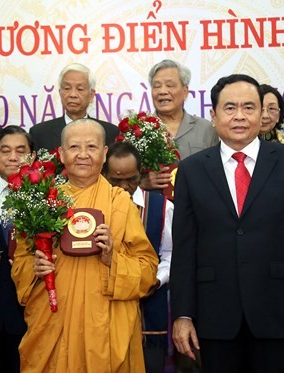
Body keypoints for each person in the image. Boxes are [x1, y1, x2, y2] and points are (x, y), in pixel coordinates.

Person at [170, 74, 284, 373]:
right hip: (215, 316)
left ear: (262, 113)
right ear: (213, 116)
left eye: (249, 107)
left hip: (279, 313)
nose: (239, 116)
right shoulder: (191, 170)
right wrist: (183, 315)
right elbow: (185, 249)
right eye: (229, 108)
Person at [11, 119, 158, 372]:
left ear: (104, 154)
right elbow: (20, 263)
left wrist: (114, 258)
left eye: (91, 147)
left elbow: (147, 270)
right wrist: (35, 267)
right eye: (74, 147)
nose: (82, 155)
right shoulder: (41, 201)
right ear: (61, 153)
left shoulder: (119, 202)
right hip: (53, 321)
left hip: (105, 328)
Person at [102, 142, 173, 373]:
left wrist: (154, 280)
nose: (124, 187)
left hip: (149, 312)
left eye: (131, 179)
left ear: (141, 173)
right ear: (104, 174)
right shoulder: (95, 209)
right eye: (116, 180)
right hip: (105, 313)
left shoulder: (161, 207)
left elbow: (171, 254)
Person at [0, 126, 32, 373]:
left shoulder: (47, 194)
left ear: (32, 157)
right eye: (5, 151)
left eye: (20, 151)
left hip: (33, 309)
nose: (13, 157)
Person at [142, 59, 219, 191]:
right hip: (155, 207)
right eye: (157, 86)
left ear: (185, 91)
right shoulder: (139, 130)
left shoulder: (206, 129)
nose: (162, 91)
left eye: (170, 85)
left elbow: (218, 173)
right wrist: (142, 182)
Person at [29, 63, 119, 151]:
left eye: (80, 89)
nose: (73, 95)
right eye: (67, 88)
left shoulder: (110, 133)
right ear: (60, 92)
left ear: (91, 95)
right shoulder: (39, 133)